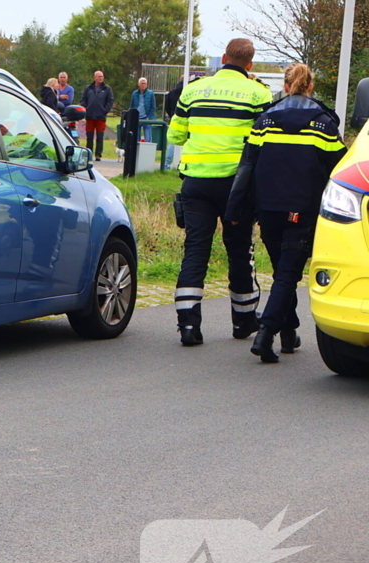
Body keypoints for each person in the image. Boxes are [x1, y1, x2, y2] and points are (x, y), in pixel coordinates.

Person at [224, 63, 346, 362]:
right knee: (288, 274)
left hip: (267, 208)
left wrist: (234, 208)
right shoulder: (324, 123)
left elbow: (246, 168)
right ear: (310, 86)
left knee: (283, 272)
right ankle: (267, 334)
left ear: (286, 85)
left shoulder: (265, 120)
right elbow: (339, 172)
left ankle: (289, 331)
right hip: (301, 208)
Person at [167, 38, 273, 346]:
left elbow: (175, 134)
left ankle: (188, 324)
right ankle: (243, 321)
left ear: (224, 58)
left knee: (195, 249)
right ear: (250, 64)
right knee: (239, 249)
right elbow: (265, 140)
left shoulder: (193, 90)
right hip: (236, 186)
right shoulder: (258, 93)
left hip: (196, 182)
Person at [81, 71, 114, 160]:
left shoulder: (107, 89)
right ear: (95, 77)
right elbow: (83, 100)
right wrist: (86, 109)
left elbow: (110, 101)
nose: (100, 78)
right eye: (99, 76)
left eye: (102, 76)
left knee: (100, 137)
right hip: (90, 116)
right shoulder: (88, 88)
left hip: (101, 116)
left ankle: (98, 155)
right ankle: (89, 154)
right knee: (89, 136)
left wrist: (105, 111)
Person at [130, 77, 157, 142]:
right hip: (137, 118)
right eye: (142, 83)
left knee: (148, 137)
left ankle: (147, 151)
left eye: (145, 83)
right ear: (139, 84)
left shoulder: (150, 93)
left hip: (146, 118)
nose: (143, 85)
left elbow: (153, 107)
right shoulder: (134, 93)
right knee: (136, 138)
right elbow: (132, 106)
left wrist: (149, 117)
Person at [57, 72, 77, 138]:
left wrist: (58, 98)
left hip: (66, 112)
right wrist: (61, 97)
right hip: (56, 112)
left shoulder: (70, 89)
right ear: (58, 79)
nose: (63, 79)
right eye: (61, 77)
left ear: (67, 79)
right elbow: (53, 99)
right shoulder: (56, 88)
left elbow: (68, 101)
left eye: (64, 77)